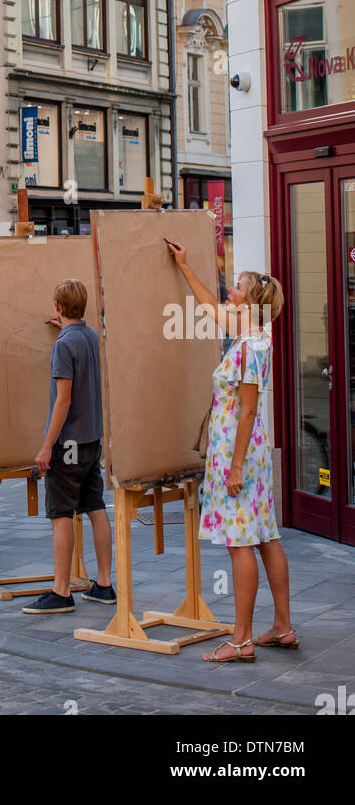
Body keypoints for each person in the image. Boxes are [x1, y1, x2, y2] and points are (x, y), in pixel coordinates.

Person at [166, 243, 294, 663]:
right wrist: (184, 264)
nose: (229, 292)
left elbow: (250, 409)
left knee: (240, 542)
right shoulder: (248, 335)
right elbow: (206, 303)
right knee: (266, 536)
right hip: (242, 450)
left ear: (250, 303)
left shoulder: (250, 347)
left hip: (238, 453)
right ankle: (281, 627)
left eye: (236, 288)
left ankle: (241, 640)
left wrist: (234, 465)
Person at [24, 279, 114, 614]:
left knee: (61, 514)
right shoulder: (91, 337)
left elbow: (63, 400)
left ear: (58, 306)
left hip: (70, 444)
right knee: (95, 508)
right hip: (92, 440)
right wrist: (63, 326)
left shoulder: (64, 346)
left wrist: (47, 447)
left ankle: (61, 591)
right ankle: (104, 584)